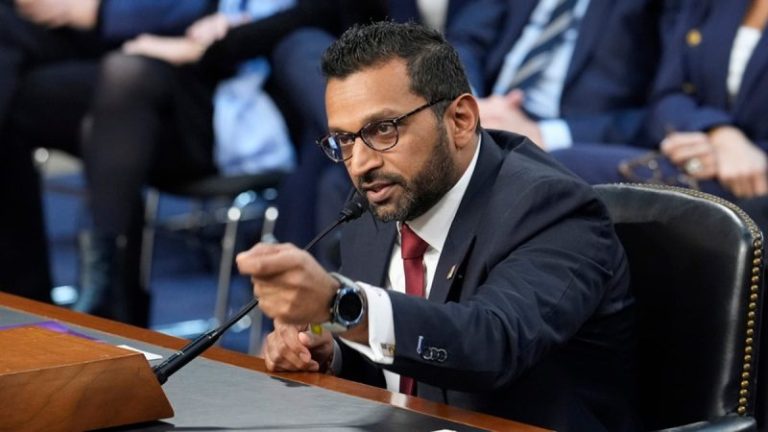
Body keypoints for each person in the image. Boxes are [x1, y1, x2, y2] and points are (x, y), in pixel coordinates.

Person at [236, 22, 637, 431]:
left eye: (383, 129)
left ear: (460, 120)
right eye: (345, 139)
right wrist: (331, 354)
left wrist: (341, 305)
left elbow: (491, 344)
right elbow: (407, 369)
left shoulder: (552, 208)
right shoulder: (378, 201)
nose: (360, 164)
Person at [0, 0, 214, 305]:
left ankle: (81, 295)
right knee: (12, 97)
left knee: (118, 96)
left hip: (182, 69)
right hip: (96, 51)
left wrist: (98, 11)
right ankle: (30, 301)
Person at [553, 0, 768, 230]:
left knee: (564, 170)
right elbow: (668, 95)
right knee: (552, 172)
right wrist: (719, 134)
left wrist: (753, 156)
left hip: (757, 187)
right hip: (697, 162)